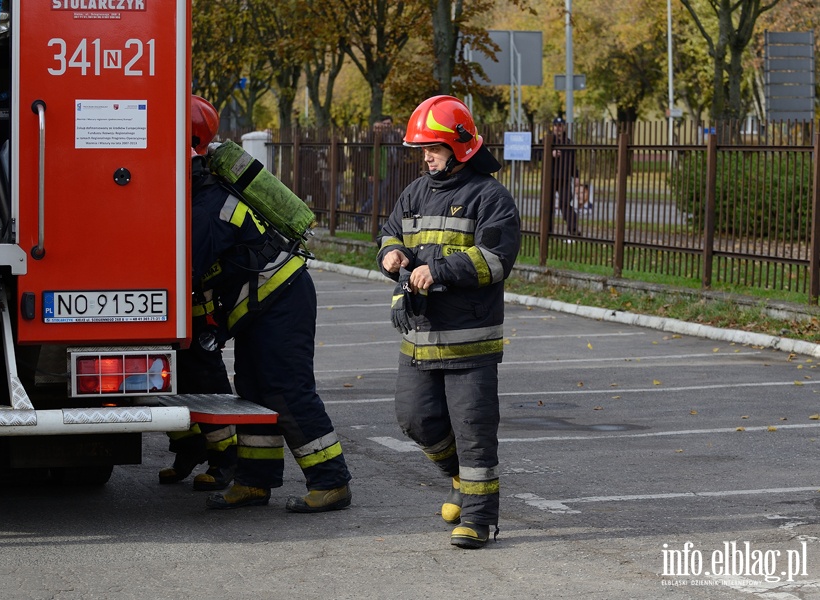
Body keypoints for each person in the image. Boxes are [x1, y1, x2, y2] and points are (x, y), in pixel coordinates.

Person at [187, 95, 353, 513]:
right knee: (255, 391)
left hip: (280, 300)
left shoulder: (206, 209)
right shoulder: (204, 193)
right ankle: (254, 481)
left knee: (286, 389)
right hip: (260, 304)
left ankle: (331, 482)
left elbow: (187, 271)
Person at [376, 95, 521, 549]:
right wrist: (390, 255)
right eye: (422, 149)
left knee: (474, 434)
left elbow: (496, 260)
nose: (426, 156)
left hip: (469, 342)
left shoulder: (490, 197)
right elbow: (389, 232)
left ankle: (479, 521)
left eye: (433, 148)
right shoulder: (415, 192)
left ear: (461, 146)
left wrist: (439, 269)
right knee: (415, 419)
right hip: (418, 338)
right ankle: (458, 480)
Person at [158, 96, 237, 493]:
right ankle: (186, 451)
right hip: (175, 309)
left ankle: (225, 461)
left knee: (206, 384)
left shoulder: (206, 199)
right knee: (171, 385)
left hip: (198, 310)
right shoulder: (189, 189)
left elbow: (194, 263)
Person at [546, 116, 579, 236]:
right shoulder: (547, 140)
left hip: (564, 178)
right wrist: (550, 153)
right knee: (547, 205)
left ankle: (573, 230)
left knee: (565, 204)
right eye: (556, 126)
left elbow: (573, 161)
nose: (558, 128)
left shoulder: (569, 143)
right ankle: (547, 230)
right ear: (553, 127)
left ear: (563, 127)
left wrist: (575, 175)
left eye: (560, 126)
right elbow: (537, 154)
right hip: (549, 178)